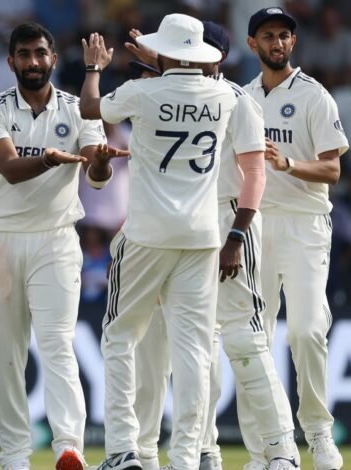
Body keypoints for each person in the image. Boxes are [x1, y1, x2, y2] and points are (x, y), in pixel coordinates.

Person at [124, 21, 299, 470]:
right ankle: (204, 450)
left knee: (244, 339)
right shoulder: (171, 90)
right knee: (194, 346)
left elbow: (255, 174)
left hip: (229, 218)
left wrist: (236, 236)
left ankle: (281, 450)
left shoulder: (236, 100)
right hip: (187, 227)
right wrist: (154, 58)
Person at [80, 14, 251, 470]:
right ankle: (188, 457)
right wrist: (164, 58)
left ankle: (124, 450)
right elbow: (191, 76)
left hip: (147, 235)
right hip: (202, 236)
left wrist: (93, 68)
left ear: (165, 53)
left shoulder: (142, 92)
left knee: (120, 337)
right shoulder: (223, 96)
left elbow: (90, 109)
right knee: (193, 350)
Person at [0, 21, 119, 470]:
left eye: (40, 53)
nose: (33, 62)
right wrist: (51, 159)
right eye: (24, 54)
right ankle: (15, 455)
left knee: (57, 343)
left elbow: (97, 176)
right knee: (7, 350)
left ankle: (68, 447)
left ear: (53, 58)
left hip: (55, 238)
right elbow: (10, 169)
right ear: (10, 61)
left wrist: (101, 163)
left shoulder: (78, 109)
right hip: (0, 237)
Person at [243, 7, 349, 470]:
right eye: (269, 35)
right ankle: (265, 449)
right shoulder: (243, 97)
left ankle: (319, 436)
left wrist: (288, 164)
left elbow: (333, 168)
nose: (278, 43)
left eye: (284, 35)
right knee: (255, 339)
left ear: (293, 42)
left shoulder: (314, 96)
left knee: (307, 331)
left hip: (305, 223)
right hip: (256, 224)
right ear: (253, 44)